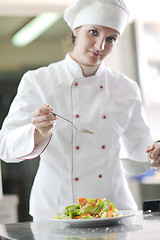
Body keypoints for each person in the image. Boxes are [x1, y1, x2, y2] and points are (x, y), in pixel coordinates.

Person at [0, 0, 160, 221]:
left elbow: (139, 144)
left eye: (111, 39)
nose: (100, 45)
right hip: (56, 210)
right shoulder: (39, 80)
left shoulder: (126, 87)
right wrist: (37, 132)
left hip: (113, 209)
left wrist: (155, 152)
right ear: (76, 29)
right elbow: (5, 146)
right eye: (93, 32)